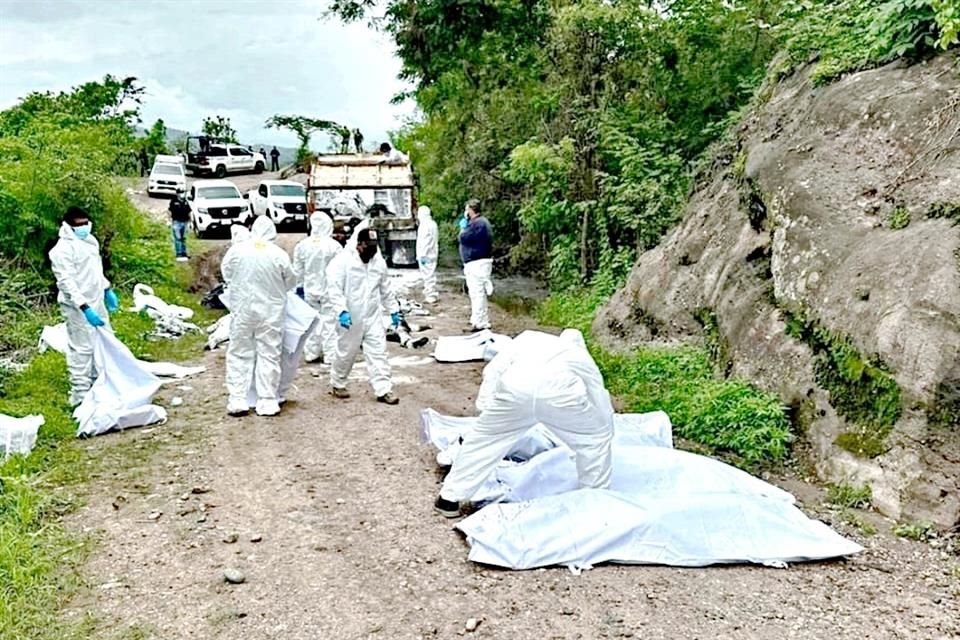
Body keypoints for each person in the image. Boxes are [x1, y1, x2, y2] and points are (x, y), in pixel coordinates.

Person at [434, 329, 614, 517]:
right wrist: (604, 428)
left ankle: (448, 499)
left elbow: (494, 370)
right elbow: (596, 389)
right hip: (559, 395)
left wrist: (486, 410)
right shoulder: (578, 354)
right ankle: (594, 501)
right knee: (593, 441)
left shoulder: (528, 338)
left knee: (483, 441)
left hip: (515, 389)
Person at [220, 216, 295, 417]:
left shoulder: (237, 250)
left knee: (239, 352)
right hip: (271, 313)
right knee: (269, 353)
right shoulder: (278, 254)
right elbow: (290, 280)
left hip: (243, 310)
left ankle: (237, 400)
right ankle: (268, 400)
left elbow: (226, 274)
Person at [48, 206, 120, 407]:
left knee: (105, 341)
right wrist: (84, 307)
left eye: (85, 223)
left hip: (96, 301)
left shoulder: (90, 241)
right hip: (77, 308)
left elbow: (95, 270)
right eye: (79, 225)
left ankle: (101, 385)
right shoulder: (61, 251)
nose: (83, 227)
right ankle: (80, 396)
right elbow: (66, 282)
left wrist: (106, 289)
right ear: (69, 226)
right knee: (82, 349)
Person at [326, 227, 401, 405]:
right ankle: (338, 382)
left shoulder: (378, 263)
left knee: (378, 351)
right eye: (368, 246)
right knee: (346, 352)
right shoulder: (343, 262)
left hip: (372, 316)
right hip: (350, 317)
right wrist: (341, 311)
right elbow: (334, 288)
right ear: (359, 244)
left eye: (374, 247)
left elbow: (386, 290)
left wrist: (393, 310)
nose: (371, 251)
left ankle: (384, 389)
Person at [292, 212, 342, 364]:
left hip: (309, 289)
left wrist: (298, 287)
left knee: (311, 323)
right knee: (330, 323)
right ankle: (330, 355)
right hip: (329, 290)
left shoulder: (302, 246)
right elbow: (340, 270)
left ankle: (311, 353)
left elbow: (297, 270)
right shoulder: (334, 246)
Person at [458, 198, 494, 331]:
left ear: (471, 210)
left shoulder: (477, 224)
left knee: (477, 293)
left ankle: (480, 323)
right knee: (476, 293)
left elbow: (463, 238)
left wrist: (463, 227)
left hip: (477, 263)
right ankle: (477, 319)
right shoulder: (480, 222)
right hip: (478, 262)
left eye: (467, 209)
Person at [416, 205, 439, 304]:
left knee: (427, 275)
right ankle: (430, 293)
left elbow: (424, 241)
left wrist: (422, 255)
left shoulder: (425, 225)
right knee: (430, 273)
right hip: (432, 253)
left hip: (426, 255)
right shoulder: (432, 224)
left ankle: (430, 295)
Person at [168, 187, 192, 262]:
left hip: (185, 222)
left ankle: (184, 253)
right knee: (178, 238)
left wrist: (191, 222)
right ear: (177, 193)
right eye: (181, 192)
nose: (182, 194)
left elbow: (189, 211)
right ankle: (179, 253)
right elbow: (169, 211)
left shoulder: (185, 201)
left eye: (183, 192)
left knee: (183, 238)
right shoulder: (173, 201)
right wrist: (168, 220)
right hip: (176, 222)